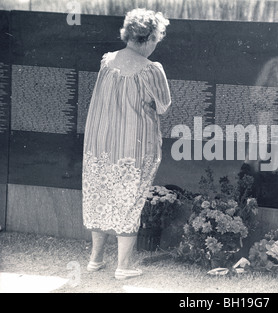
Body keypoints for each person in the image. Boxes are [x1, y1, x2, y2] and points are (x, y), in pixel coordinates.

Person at [82, 8, 171, 280]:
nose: (158, 43)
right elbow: (164, 106)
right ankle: (124, 266)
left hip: (99, 145)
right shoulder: (151, 69)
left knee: (99, 197)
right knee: (130, 202)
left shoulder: (106, 61)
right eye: (158, 37)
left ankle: (95, 260)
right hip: (134, 147)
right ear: (149, 38)